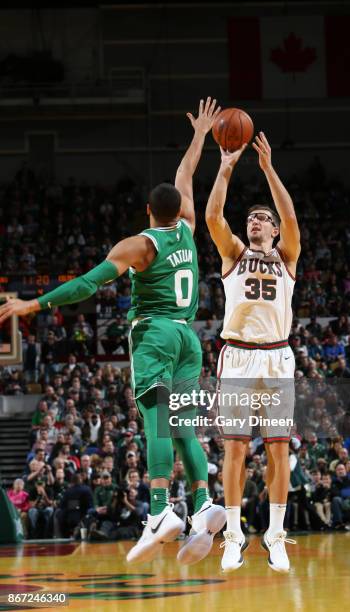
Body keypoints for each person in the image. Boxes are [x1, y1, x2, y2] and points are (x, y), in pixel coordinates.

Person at [0, 97, 226, 566]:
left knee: (156, 422)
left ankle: (161, 512)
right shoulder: (187, 229)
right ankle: (204, 502)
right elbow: (187, 172)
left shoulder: (140, 245)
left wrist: (33, 304)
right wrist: (200, 135)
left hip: (157, 335)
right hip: (190, 338)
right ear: (179, 208)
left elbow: (87, 283)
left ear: (147, 210)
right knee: (184, 427)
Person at [205, 132, 301, 572]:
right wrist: (225, 166)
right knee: (236, 450)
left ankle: (276, 535)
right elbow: (212, 216)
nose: (256, 222)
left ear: (275, 229)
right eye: (252, 219)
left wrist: (267, 168)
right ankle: (234, 535)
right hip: (239, 356)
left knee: (279, 450)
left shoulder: (288, 256)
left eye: (263, 218)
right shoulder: (234, 254)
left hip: (278, 357)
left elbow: (290, 213)